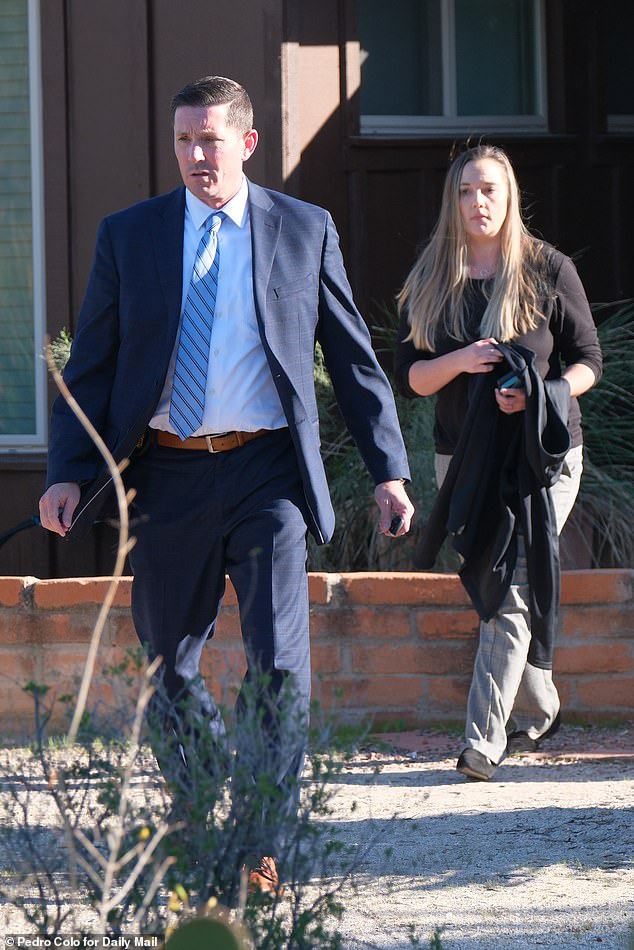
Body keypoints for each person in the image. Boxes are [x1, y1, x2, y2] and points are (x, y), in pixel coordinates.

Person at [39, 76, 414, 888]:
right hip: (167, 470)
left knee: (278, 661)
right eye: (183, 140)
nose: (195, 155)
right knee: (168, 666)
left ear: (247, 144)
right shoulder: (130, 236)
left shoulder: (301, 230)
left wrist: (389, 469)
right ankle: (205, 795)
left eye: (210, 140)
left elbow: (351, 358)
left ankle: (265, 837)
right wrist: (68, 471)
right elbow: (92, 368)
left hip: (267, 469)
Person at [394, 144, 602, 782]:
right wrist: (461, 361)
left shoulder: (546, 269)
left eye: (489, 189)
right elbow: (411, 379)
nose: (477, 202)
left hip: (544, 456)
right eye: (465, 191)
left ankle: (482, 743)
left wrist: (544, 393)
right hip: (461, 460)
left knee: (507, 586)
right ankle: (540, 704)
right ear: (452, 202)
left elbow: (588, 360)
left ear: (510, 198)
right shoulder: (435, 273)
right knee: (492, 576)